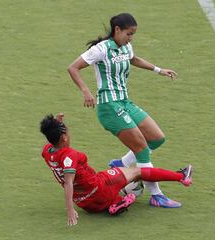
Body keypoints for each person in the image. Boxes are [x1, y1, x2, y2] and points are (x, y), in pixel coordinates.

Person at [67, 13, 181, 208]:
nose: (131, 38)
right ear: (117, 30)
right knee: (142, 150)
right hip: (109, 107)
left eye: (133, 34)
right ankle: (157, 195)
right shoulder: (101, 49)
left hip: (125, 102)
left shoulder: (125, 46)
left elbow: (133, 58)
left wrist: (158, 69)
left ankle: (122, 163)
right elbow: (73, 68)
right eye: (129, 33)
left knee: (156, 138)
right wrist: (86, 92)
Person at [40, 113, 193, 226]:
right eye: (67, 131)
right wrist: (69, 210)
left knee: (115, 182)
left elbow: (55, 142)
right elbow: (68, 183)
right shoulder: (70, 155)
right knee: (136, 171)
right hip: (99, 186)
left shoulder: (47, 151)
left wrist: (57, 124)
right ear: (64, 137)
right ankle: (181, 177)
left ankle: (115, 203)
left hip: (86, 203)